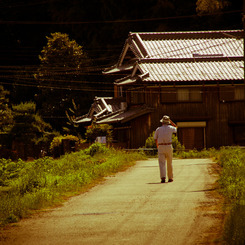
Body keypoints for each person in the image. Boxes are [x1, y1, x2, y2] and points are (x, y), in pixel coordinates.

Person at [154, 115, 177, 183]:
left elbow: (155, 138)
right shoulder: (171, 128)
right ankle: (170, 178)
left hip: (161, 146)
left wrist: (157, 145)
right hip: (169, 146)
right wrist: (171, 122)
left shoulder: (158, 129)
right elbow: (176, 127)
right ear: (168, 122)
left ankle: (163, 177)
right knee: (169, 162)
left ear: (162, 122)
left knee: (162, 163)